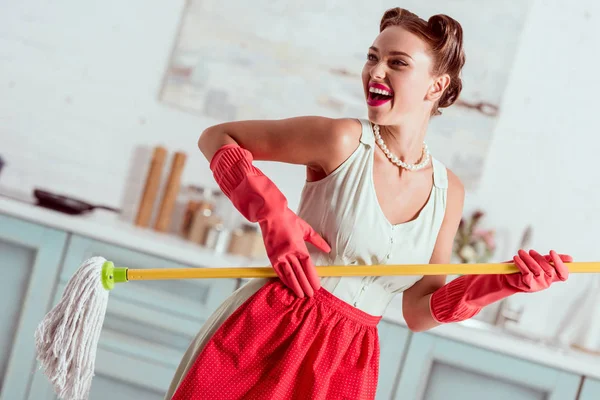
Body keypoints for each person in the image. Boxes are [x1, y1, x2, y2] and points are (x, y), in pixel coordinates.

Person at [166, 7, 572, 400]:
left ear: (436, 86)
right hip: (271, 333)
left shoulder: (450, 193)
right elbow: (217, 138)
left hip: (349, 361)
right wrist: (273, 213)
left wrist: (502, 282)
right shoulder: (341, 140)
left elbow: (418, 310)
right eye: (372, 58)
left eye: (397, 63)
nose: (376, 72)